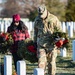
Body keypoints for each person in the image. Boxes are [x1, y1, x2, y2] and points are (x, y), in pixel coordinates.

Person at [34, 5, 62, 75]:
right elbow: (35, 32)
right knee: (41, 63)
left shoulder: (53, 18)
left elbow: (59, 31)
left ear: (46, 11)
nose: (41, 16)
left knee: (51, 64)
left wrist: (58, 38)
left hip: (52, 45)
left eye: (42, 14)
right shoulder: (37, 19)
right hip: (41, 45)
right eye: (40, 14)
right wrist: (34, 42)